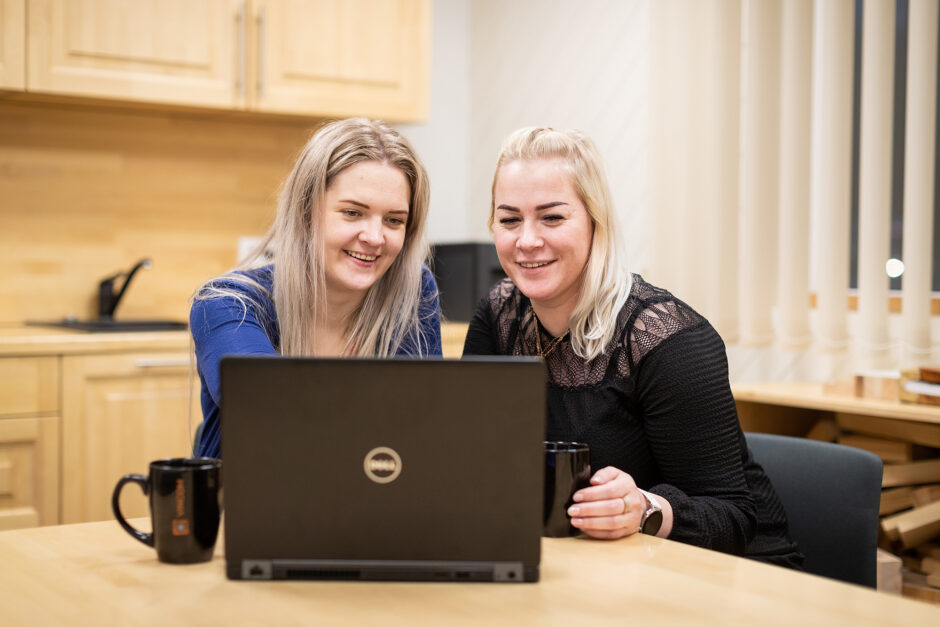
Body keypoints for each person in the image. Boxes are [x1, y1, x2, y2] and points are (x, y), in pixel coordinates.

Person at [463, 127, 802, 567]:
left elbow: (735, 517)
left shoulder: (667, 339)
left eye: (552, 217)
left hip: (733, 578)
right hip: (593, 569)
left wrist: (644, 508)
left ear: (594, 221)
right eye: (509, 220)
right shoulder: (499, 317)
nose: (527, 240)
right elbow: (474, 459)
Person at [191, 118, 442, 459]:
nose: (374, 237)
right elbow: (263, 403)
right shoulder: (226, 304)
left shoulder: (413, 291)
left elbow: (424, 429)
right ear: (306, 211)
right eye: (353, 213)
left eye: (394, 220)